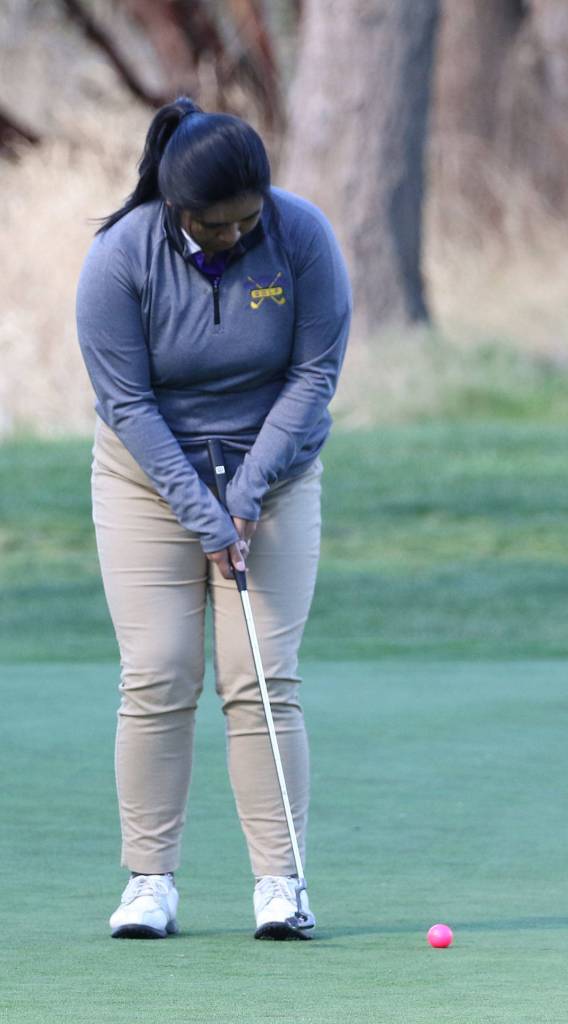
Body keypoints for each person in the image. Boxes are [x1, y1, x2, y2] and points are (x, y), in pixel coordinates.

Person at [75, 96, 351, 940]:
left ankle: (280, 884)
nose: (235, 236)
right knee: (157, 672)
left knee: (261, 677)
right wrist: (204, 513)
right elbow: (126, 402)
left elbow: (314, 375)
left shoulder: (302, 237)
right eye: (216, 225)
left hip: (271, 473)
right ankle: (149, 882)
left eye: (247, 220)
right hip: (147, 481)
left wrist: (247, 495)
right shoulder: (120, 259)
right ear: (178, 207)